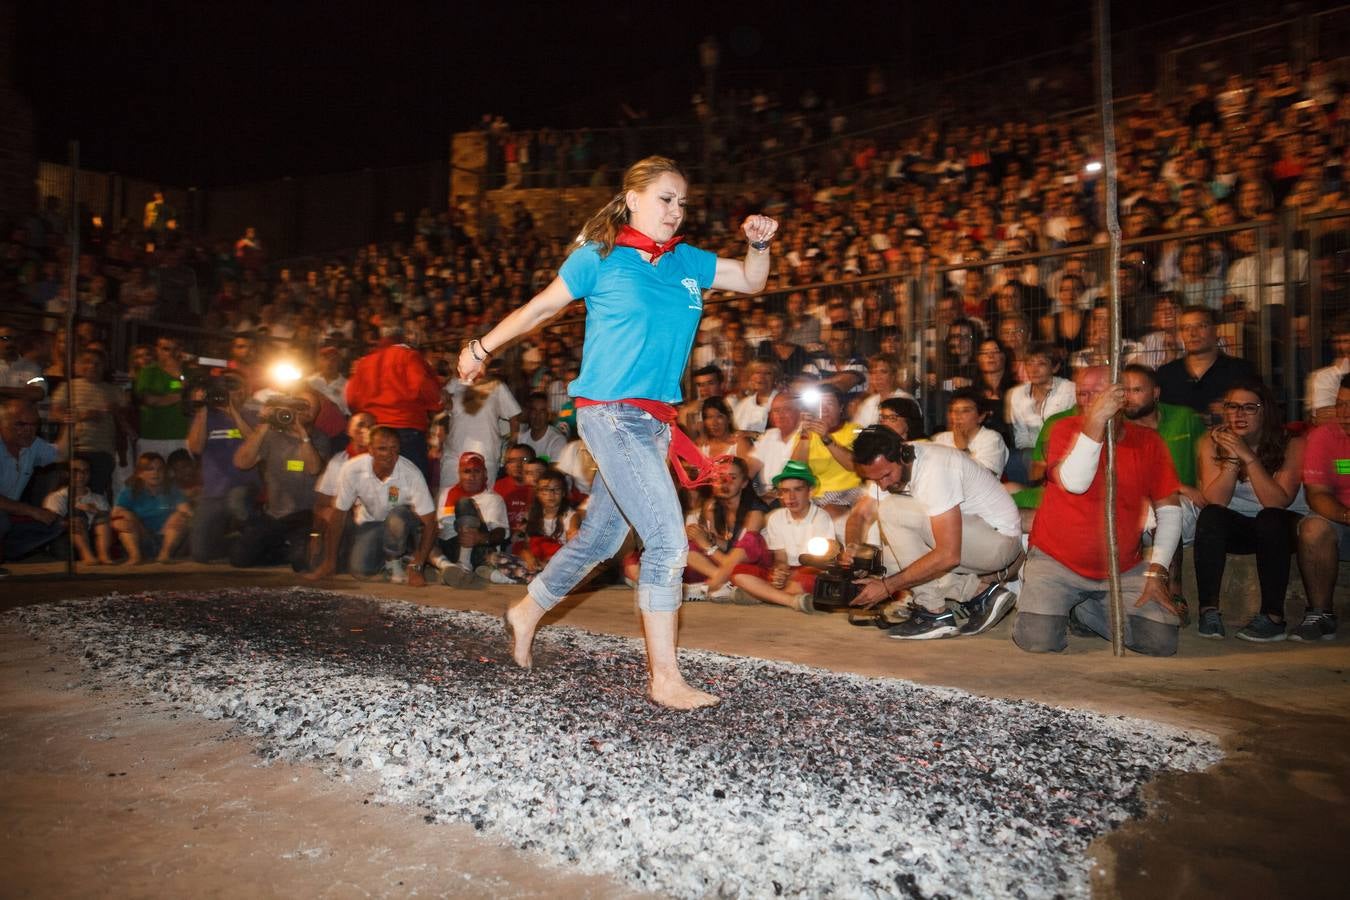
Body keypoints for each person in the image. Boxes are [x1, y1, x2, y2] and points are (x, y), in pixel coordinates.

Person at [457, 155, 777, 709]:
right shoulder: (597, 259)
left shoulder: (686, 263)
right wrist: (482, 347)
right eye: (664, 199)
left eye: (682, 203)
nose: (675, 211)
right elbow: (539, 310)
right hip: (608, 413)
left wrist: (760, 243)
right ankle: (664, 679)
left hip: (654, 422)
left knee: (603, 540)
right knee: (668, 539)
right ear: (632, 199)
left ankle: (526, 610)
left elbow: (751, 281)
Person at [1011, 378, 1184, 656]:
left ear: (1121, 395)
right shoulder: (1063, 429)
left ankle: (1083, 609)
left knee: (1160, 640)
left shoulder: (1148, 441)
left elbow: (1170, 510)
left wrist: (1156, 570)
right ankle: (1065, 603)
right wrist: (1095, 423)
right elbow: (1076, 483)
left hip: (1123, 567)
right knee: (1037, 640)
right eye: (1083, 393)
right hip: (1057, 561)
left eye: (1097, 392)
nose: (1090, 400)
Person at [850, 425, 1023, 639]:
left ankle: (933, 612)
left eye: (886, 476)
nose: (883, 485)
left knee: (892, 511)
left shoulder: (935, 469)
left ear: (903, 455)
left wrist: (887, 587)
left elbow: (948, 555)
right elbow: (863, 514)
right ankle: (980, 593)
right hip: (976, 538)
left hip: (998, 543)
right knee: (887, 563)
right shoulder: (895, 468)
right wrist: (852, 552)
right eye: (876, 480)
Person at [1193, 380, 1308, 641]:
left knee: (1270, 518)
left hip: (1282, 527)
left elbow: (1277, 501)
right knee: (1211, 515)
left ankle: (1273, 617)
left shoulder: (1292, 443)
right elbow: (1215, 500)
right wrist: (1233, 458)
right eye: (1232, 407)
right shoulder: (1211, 441)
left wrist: (1249, 457)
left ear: (1265, 411)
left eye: (1249, 407)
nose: (1239, 414)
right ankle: (1209, 610)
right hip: (1239, 525)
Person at [306, 425, 437, 585]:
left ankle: (400, 561)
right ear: (371, 450)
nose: (389, 454)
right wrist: (329, 562)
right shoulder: (352, 469)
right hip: (371, 523)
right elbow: (338, 515)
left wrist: (418, 566)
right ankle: (400, 556)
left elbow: (431, 522)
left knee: (398, 516)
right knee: (361, 572)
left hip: (404, 525)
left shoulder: (411, 473)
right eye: (382, 448)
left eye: (394, 448)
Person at [228, 393, 330, 569]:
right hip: (274, 514)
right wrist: (264, 425)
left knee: (301, 563)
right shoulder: (273, 436)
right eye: (296, 406)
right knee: (239, 558)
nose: (300, 412)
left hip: (304, 515)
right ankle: (282, 549)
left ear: (315, 413)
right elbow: (241, 462)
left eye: (306, 408)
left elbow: (314, 468)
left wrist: (303, 435)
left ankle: (291, 549)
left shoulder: (319, 438)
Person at [727, 461, 836, 611]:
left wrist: (789, 575)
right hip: (788, 572)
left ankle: (760, 595)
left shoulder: (821, 517)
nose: (791, 497)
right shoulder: (776, 518)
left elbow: (819, 563)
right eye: (785, 491)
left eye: (797, 489)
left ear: (810, 491)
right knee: (738, 572)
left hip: (808, 570)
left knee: (813, 581)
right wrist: (779, 572)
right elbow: (780, 558)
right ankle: (790, 601)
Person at [345, 324, 443, 481]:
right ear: (404, 337)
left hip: (375, 433)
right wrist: (438, 402)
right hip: (407, 432)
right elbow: (425, 387)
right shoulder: (408, 356)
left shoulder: (365, 362)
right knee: (411, 489)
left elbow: (351, 399)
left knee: (380, 486)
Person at [1293, 374, 1350, 642]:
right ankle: (1320, 613)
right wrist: (1346, 515)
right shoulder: (1324, 436)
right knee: (1313, 529)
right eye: (1340, 404)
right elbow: (1317, 494)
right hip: (1341, 517)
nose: (1344, 413)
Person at [185, 373, 259, 562]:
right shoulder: (206, 417)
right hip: (213, 490)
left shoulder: (253, 414)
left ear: (245, 390)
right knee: (200, 554)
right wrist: (201, 410)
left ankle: (254, 536)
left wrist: (233, 411)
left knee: (236, 501)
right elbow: (195, 448)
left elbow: (256, 444)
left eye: (235, 386)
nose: (232, 391)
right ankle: (241, 542)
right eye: (226, 387)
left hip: (244, 486)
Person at [681, 457, 770, 600]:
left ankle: (709, 586)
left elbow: (742, 554)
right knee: (686, 546)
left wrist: (708, 545)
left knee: (751, 540)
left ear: (744, 483)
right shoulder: (712, 507)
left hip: (753, 568)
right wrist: (705, 537)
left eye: (732, 478)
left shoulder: (755, 512)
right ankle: (726, 583)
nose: (725, 482)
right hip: (728, 566)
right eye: (720, 477)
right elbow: (728, 548)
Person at [1156, 305, 1257, 423]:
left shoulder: (1241, 371)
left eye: (1201, 326)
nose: (1192, 333)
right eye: (1186, 328)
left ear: (1217, 331)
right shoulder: (1166, 374)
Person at [0, 400, 66, 573]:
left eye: (34, 424)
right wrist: (32, 511)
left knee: (56, 523)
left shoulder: (33, 444)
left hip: (9, 511)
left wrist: (68, 424)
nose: (29, 430)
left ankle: (3, 555)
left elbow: (61, 454)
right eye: (20, 424)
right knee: (2, 520)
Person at [431, 451, 510, 586]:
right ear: (460, 474)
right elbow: (436, 526)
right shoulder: (445, 493)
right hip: (449, 545)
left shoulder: (494, 499)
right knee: (422, 527)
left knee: (464, 503)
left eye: (476, 471)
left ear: (485, 474)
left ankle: (464, 565)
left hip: (478, 548)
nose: (471, 476)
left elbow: (501, 532)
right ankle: (448, 567)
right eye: (466, 471)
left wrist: (481, 538)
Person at [1005, 342, 1074, 484]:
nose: (1034, 369)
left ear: (1055, 367)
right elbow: (1021, 436)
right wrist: (1037, 456)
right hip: (1030, 453)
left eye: (1041, 364)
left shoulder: (1069, 390)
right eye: (1030, 363)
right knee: (1014, 458)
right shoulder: (1016, 394)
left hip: (1061, 450)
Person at [110, 452, 191, 564]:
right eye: (150, 469)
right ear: (140, 473)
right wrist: (125, 517)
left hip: (168, 538)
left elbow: (186, 510)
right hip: (143, 538)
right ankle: (135, 556)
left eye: (159, 469)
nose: (155, 473)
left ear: (165, 472)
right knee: (122, 520)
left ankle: (164, 555)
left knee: (180, 517)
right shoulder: (130, 490)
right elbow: (115, 513)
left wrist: (181, 517)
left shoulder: (172, 488)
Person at [43, 454, 114, 565]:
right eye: (75, 471)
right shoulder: (57, 496)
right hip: (66, 544)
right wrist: (71, 519)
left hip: (95, 542)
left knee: (103, 515)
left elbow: (109, 522)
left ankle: (104, 555)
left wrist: (96, 511)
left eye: (85, 471)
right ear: (67, 474)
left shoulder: (98, 498)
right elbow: (51, 523)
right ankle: (87, 557)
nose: (81, 475)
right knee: (77, 516)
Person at [134, 336, 190, 461]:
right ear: (157, 350)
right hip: (153, 437)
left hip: (182, 437)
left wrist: (178, 374)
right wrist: (181, 396)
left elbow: (190, 392)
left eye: (175, 349)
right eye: (166, 349)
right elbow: (150, 400)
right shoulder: (149, 371)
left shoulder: (187, 372)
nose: (171, 353)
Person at [931, 388, 1009, 477]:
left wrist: (963, 450)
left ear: (981, 416)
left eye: (965, 411)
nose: (956, 416)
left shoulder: (992, 439)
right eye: (953, 410)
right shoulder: (941, 438)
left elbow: (985, 479)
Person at [516, 392, 567, 463]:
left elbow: (554, 473)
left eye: (542, 411)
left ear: (548, 415)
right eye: (534, 411)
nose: (537, 416)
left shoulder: (557, 440)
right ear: (528, 413)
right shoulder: (521, 438)